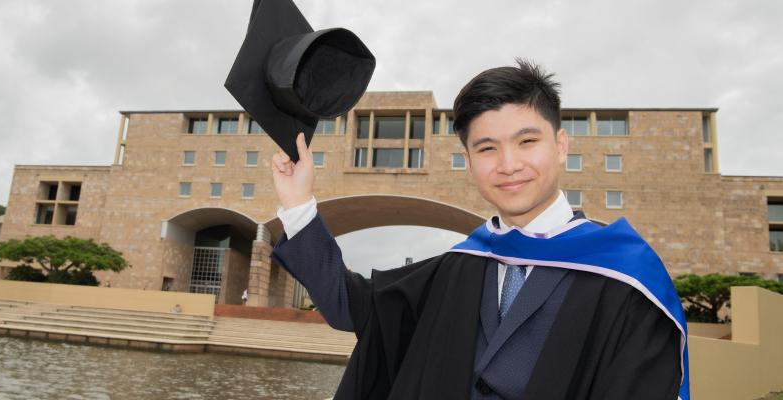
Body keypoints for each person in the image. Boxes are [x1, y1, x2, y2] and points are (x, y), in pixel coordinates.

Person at [269, 60, 688, 400]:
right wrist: (298, 204)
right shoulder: (463, 265)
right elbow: (350, 306)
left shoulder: (627, 277)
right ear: (468, 161)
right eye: (487, 148)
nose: (508, 164)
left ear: (560, 145)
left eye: (527, 142)